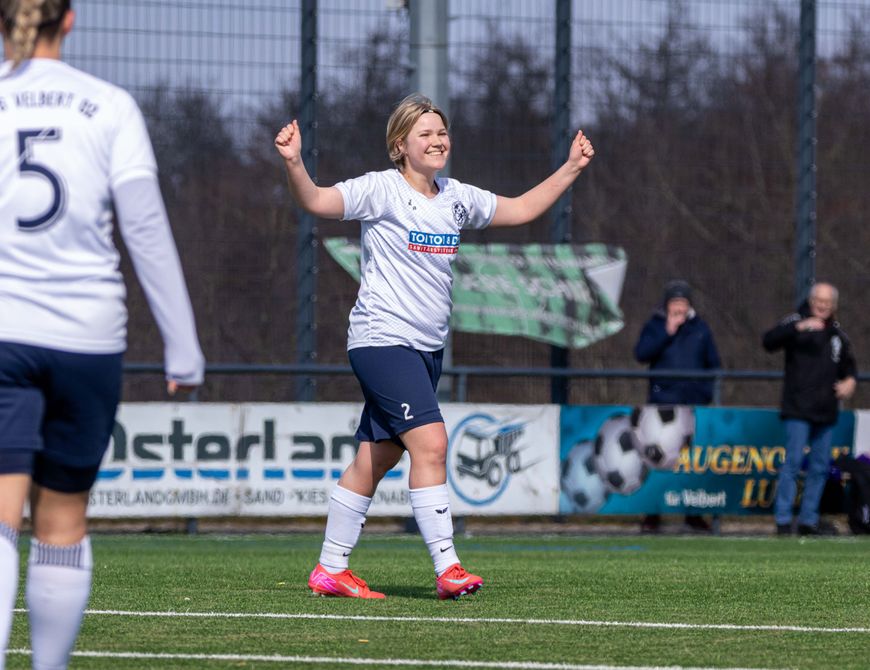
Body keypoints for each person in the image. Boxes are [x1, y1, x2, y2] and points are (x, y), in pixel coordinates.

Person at [275, 94, 594, 599]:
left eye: (441, 132)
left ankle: (330, 569)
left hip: (425, 350)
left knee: (374, 459)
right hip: (382, 340)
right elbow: (315, 201)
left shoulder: (456, 197)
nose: (437, 140)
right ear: (399, 145)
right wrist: (295, 163)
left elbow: (522, 209)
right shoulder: (380, 189)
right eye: (425, 134)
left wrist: (571, 168)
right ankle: (448, 568)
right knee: (433, 443)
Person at [0, 2, 205, 668]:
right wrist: (182, 344)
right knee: (62, 523)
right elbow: (144, 229)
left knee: (2, 516)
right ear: (72, 19)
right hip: (89, 338)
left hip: (5, 332)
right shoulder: (110, 105)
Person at [762, 282, 856, 536]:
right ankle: (783, 521)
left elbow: (849, 366)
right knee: (792, 463)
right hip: (797, 408)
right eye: (818, 300)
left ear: (833, 306)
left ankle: (808, 520)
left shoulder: (837, 335)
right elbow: (768, 341)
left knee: (819, 468)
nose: (822, 306)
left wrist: (850, 381)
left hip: (825, 410)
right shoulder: (795, 321)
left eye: (827, 302)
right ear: (811, 300)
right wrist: (798, 328)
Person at [634, 280, 721, 534]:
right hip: (661, 405)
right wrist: (667, 331)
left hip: (691, 405)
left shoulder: (701, 329)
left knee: (691, 464)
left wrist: (703, 393)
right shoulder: (655, 325)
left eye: (683, 303)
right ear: (667, 305)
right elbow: (641, 354)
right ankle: (652, 515)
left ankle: (692, 515)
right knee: (656, 459)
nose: (679, 308)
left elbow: (714, 364)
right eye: (675, 303)